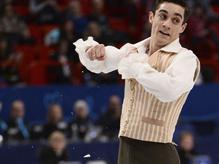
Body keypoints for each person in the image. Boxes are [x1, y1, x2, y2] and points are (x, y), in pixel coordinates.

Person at [74, 0, 200, 163]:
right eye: (162, 16)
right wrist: (91, 51)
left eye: (175, 20)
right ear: (151, 17)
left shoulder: (185, 58)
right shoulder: (135, 50)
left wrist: (135, 66)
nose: (167, 24)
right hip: (126, 149)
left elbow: (169, 90)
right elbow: (102, 63)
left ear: (182, 27)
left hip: (158, 153)